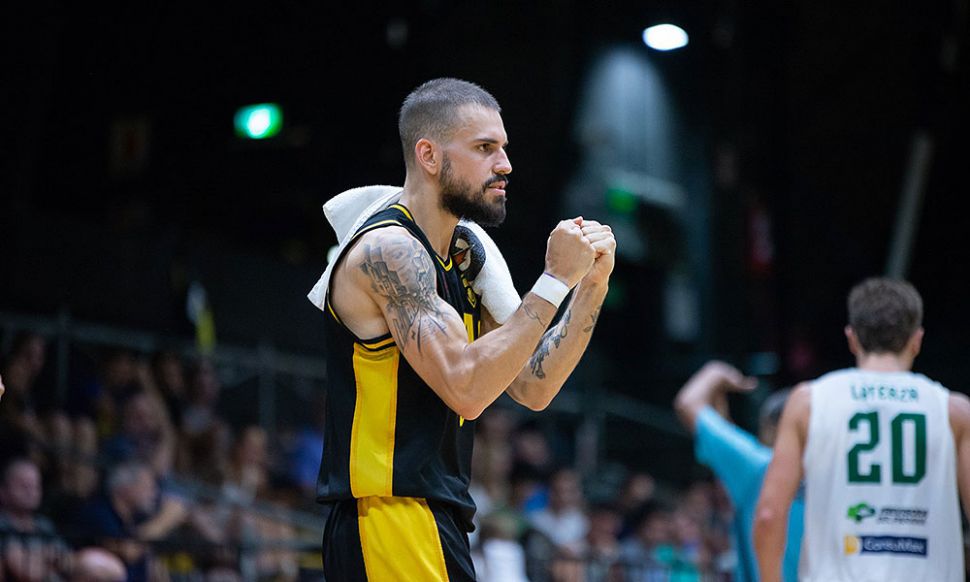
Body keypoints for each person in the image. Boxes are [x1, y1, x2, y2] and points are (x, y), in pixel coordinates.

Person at [315, 77, 615, 581]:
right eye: (484, 148)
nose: (505, 164)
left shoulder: (464, 256)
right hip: (390, 513)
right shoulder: (390, 251)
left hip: (433, 515)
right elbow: (467, 389)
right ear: (429, 156)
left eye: (504, 148)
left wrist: (590, 286)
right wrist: (554, 279)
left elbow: (532, 384)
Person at [753, 277, 970, 581]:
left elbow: (768, 516)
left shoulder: (808, 403)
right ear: (916, 340)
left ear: (852, 338)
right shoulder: (954, 411)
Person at [673, 361, 802, 581]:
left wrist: (716, 373)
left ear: (772, 429)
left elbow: (688, 402)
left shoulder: (760, 468)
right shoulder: (835, 473)